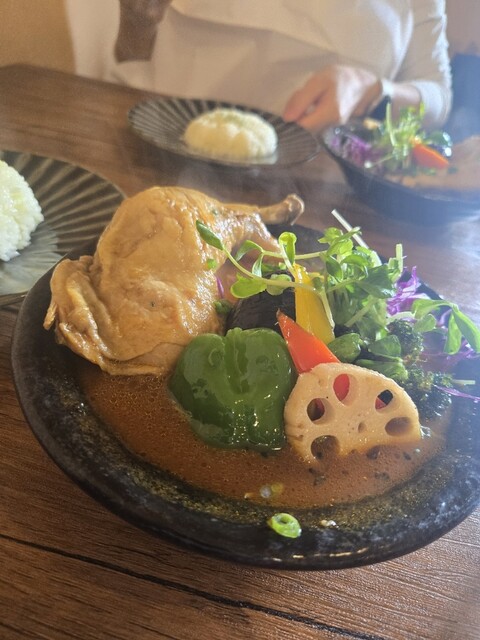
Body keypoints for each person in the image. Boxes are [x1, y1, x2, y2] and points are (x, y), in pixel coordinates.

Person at [64, 0, 452, 131]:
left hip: (319, 194)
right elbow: (129, 58)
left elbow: (439, 98)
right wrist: (136, 22)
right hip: (162, 147)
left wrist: (373, 89)